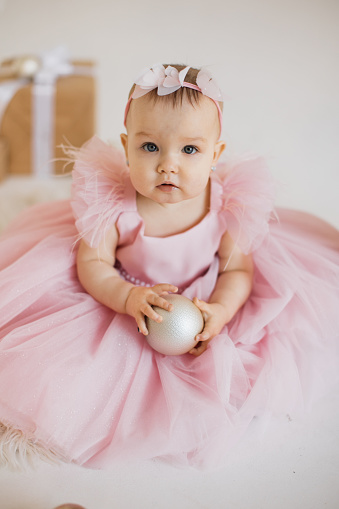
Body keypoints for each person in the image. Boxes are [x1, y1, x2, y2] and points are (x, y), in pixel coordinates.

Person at [0, 64, 338, 471]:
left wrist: (221, 311)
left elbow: (236, 272)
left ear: (216, 154)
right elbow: (93, 263)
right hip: (125, 289)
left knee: (252, 362)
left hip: (200, 291)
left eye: (190, 150)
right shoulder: (110, 202)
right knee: (59, 373)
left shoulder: (229, 203)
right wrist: (126, 296)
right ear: (126, 147)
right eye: (150, 147)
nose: (168, 165)